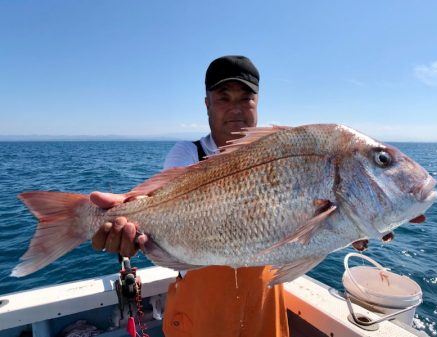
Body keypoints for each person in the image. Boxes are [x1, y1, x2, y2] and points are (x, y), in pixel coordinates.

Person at [90, 55, 290, 337]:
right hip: (200, 308)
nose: (236, 109)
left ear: (257, 102)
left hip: (265, 305)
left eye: (246, 98)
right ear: (207, 104)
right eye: (223, 98)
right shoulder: (187, 153)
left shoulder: (277, 153)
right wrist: (132, 213)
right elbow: (164, 201)